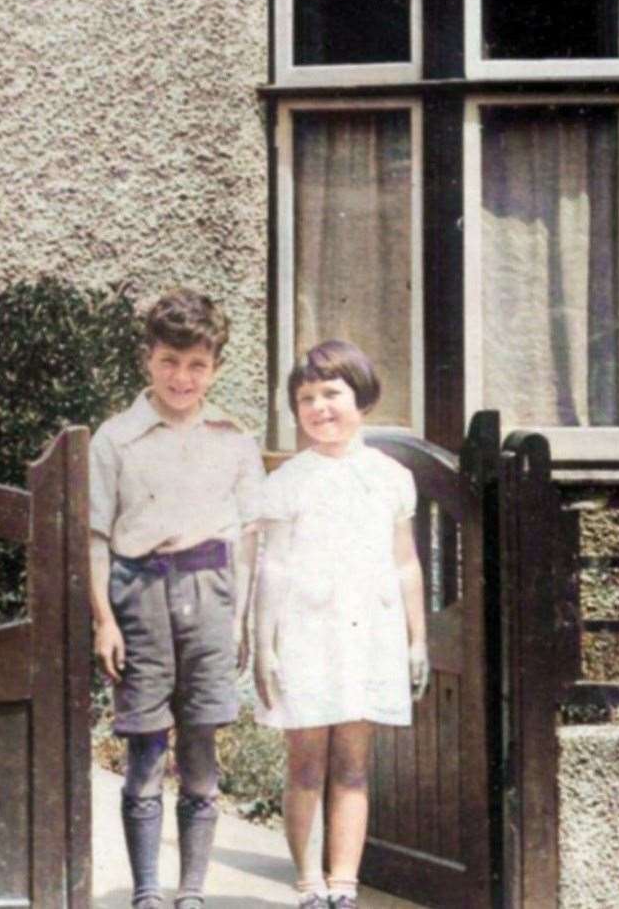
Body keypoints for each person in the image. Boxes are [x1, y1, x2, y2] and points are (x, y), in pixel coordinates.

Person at [89, 287, 265, 909]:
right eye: (169, 361)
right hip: (139, 594)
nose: (181, 377)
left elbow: (249, 539)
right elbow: (96, 537)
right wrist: (104, 620)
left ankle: (191, 891)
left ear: (214, 367)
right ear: (148, 360)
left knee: (200, 745)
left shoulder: (233, 440)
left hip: (211, 594)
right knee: (144, 745)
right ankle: (146, 892)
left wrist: (242, 618)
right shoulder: (115, 440)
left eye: (196, 365)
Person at [251, 340, 430, 909]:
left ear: (362, 399)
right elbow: (272, 567)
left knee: (353, 766)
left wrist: (417, 637)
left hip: (368, 635)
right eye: (306, 397)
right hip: (306, 634)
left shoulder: (389, 477)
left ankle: (345, 885)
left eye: (332, 393)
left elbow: (405, 561)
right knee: (306, 763)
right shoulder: (286, 483)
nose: (319, 407)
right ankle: (308, 883)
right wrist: (263, 645)